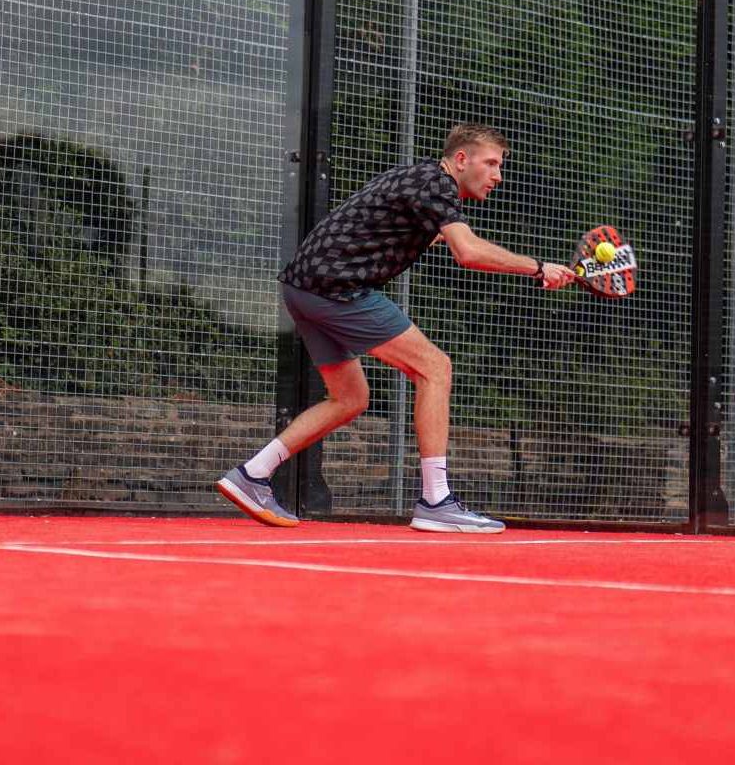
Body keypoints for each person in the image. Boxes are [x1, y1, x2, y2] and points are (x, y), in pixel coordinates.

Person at [217, 123, 576, 533]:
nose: (498, 175)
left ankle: (252, 474)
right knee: (435, 368)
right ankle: (436, 500)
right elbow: (468, 251)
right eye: (490, 163)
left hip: (303, 288)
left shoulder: (421, 182)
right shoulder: (435, 183)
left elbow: (410, 232)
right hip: (338, 288)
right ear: (461, 159)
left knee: (349, 398)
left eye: (499, 165)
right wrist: (539, 267)